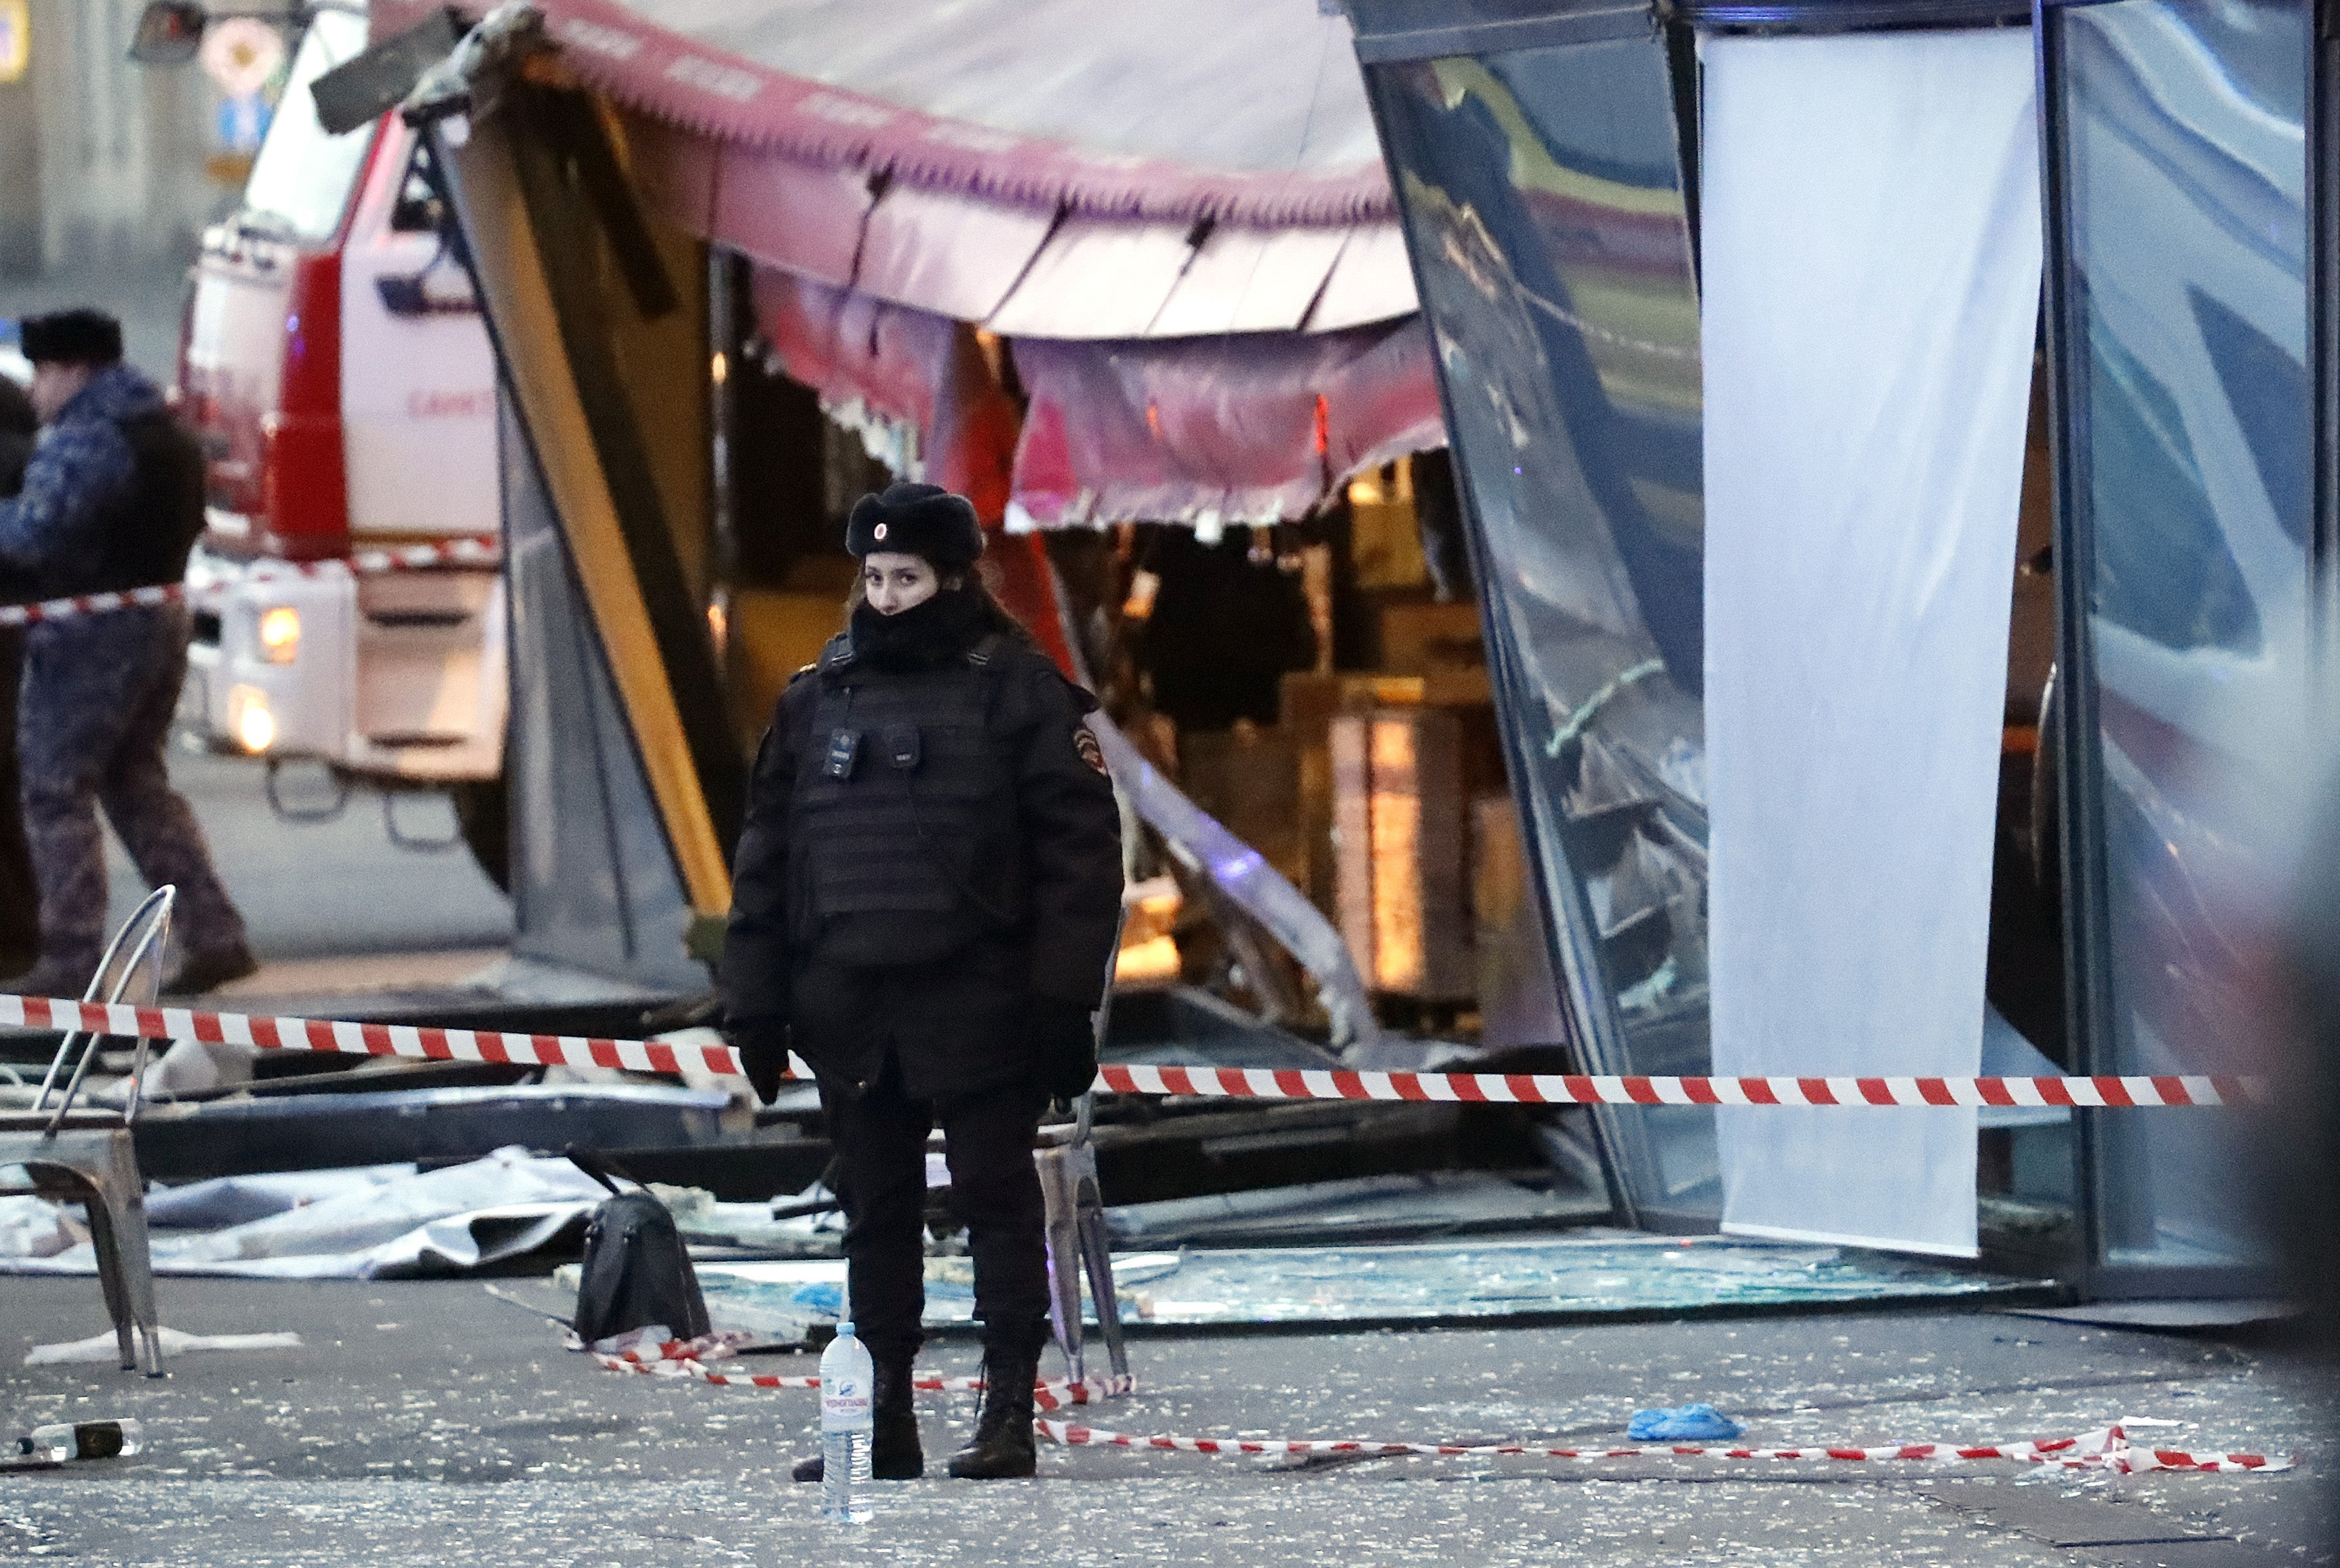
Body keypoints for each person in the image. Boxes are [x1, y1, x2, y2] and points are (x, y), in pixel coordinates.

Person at [722, 481, 1122, 1483]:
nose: (887, 596)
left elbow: (1081, 861)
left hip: (980, 999)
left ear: (952, 578)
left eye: (906, 578)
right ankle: (883, 1420)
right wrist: (755, 1001)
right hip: (853, 1007)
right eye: (873, 576)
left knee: (997, 1206)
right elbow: (769, 856)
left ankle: (1006, 1417)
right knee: (877, 1213)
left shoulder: (1019, 693)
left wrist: (1059, 1002)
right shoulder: (817, 698)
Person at [0, 310, 255, 997]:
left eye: (45, 375)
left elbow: (30, 536)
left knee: (55, 790)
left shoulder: (88, 436)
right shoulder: (156, 424)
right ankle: (215, 932)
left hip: (90, 635)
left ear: (73, 368)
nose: (37, 394)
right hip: (156, 622)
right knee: (136, 787)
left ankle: (71, 955)